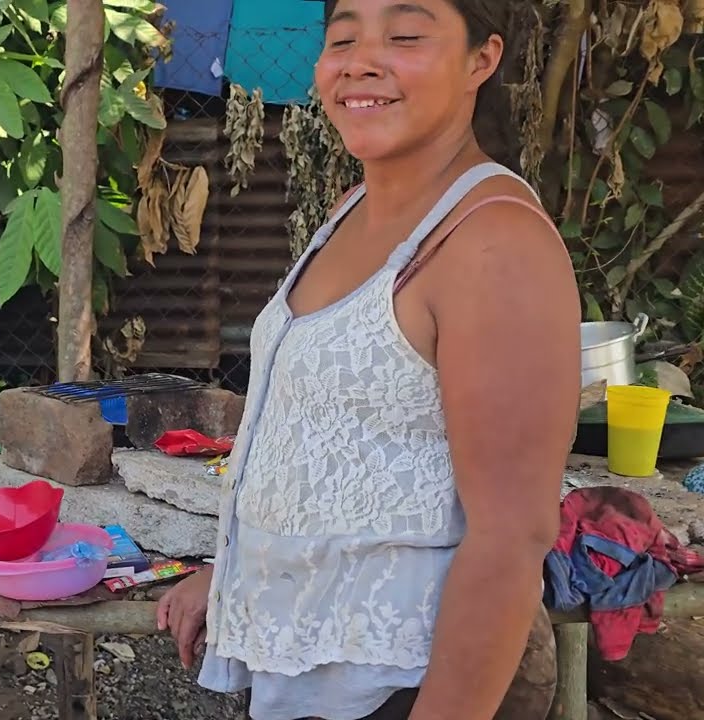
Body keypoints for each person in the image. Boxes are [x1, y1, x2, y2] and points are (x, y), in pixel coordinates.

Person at [157, 1, 580, 719]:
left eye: (406, 36)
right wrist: (231, 574)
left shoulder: (493, 244)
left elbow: (513, 536)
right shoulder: (354, 207)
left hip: (402, 686)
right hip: (308, 673)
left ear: (482, 59)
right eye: (343, 37)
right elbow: (327, 445)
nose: (361, 60)